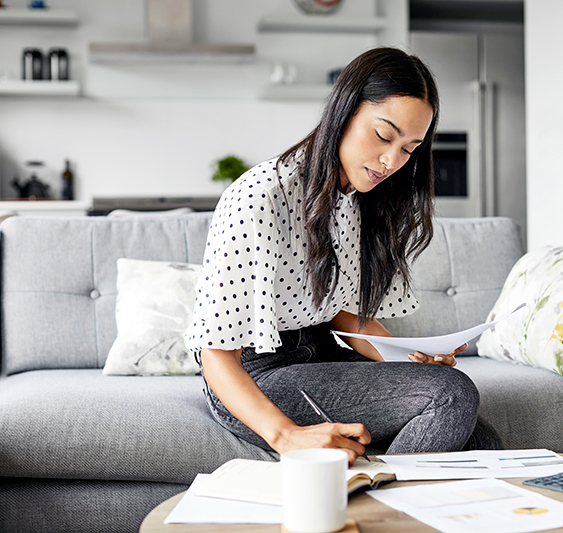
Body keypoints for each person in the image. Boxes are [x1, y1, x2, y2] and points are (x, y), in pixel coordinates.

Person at [185, 47, 500, 464]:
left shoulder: (361, 197)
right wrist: (286, 437)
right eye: (384, 136)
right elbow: (215, 353)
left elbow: (346, 316)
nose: (392, 161)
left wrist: (413, 360)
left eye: (409, 149)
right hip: (253, 377)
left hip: (320, 355)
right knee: (451, 395)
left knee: (481, 440)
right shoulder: (261, 196)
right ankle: (373, 512)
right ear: (344, 112)